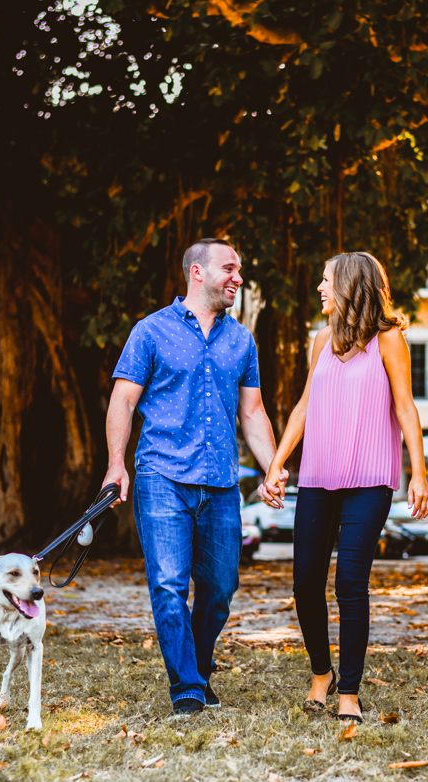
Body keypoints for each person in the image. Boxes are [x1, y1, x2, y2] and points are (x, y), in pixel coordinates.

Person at [103, 238, 281, 717]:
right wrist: (116, 465)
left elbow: (253, 411)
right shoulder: (151, 331)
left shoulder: (242, 340)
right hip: (162, 473)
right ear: (197, 273)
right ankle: (186, 688)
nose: (238, 278)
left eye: (239, 270)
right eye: (229, 269)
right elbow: (123, 401)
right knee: (168, 584)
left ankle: (198, 669)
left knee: (220, 588)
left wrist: (273, 466)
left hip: (222, 483)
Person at [263, 251, 428, 723]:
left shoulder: (389, 339)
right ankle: (322, 673)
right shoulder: (321, 339)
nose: (319, 288)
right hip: (318, 476)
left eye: (325, 280)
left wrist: (418, 472)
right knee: (304, 582)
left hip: (370, 480)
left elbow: (405, 407)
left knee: (351, 583)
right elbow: (302, 407)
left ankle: (349, 692)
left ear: (349, 285)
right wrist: (277, 465)